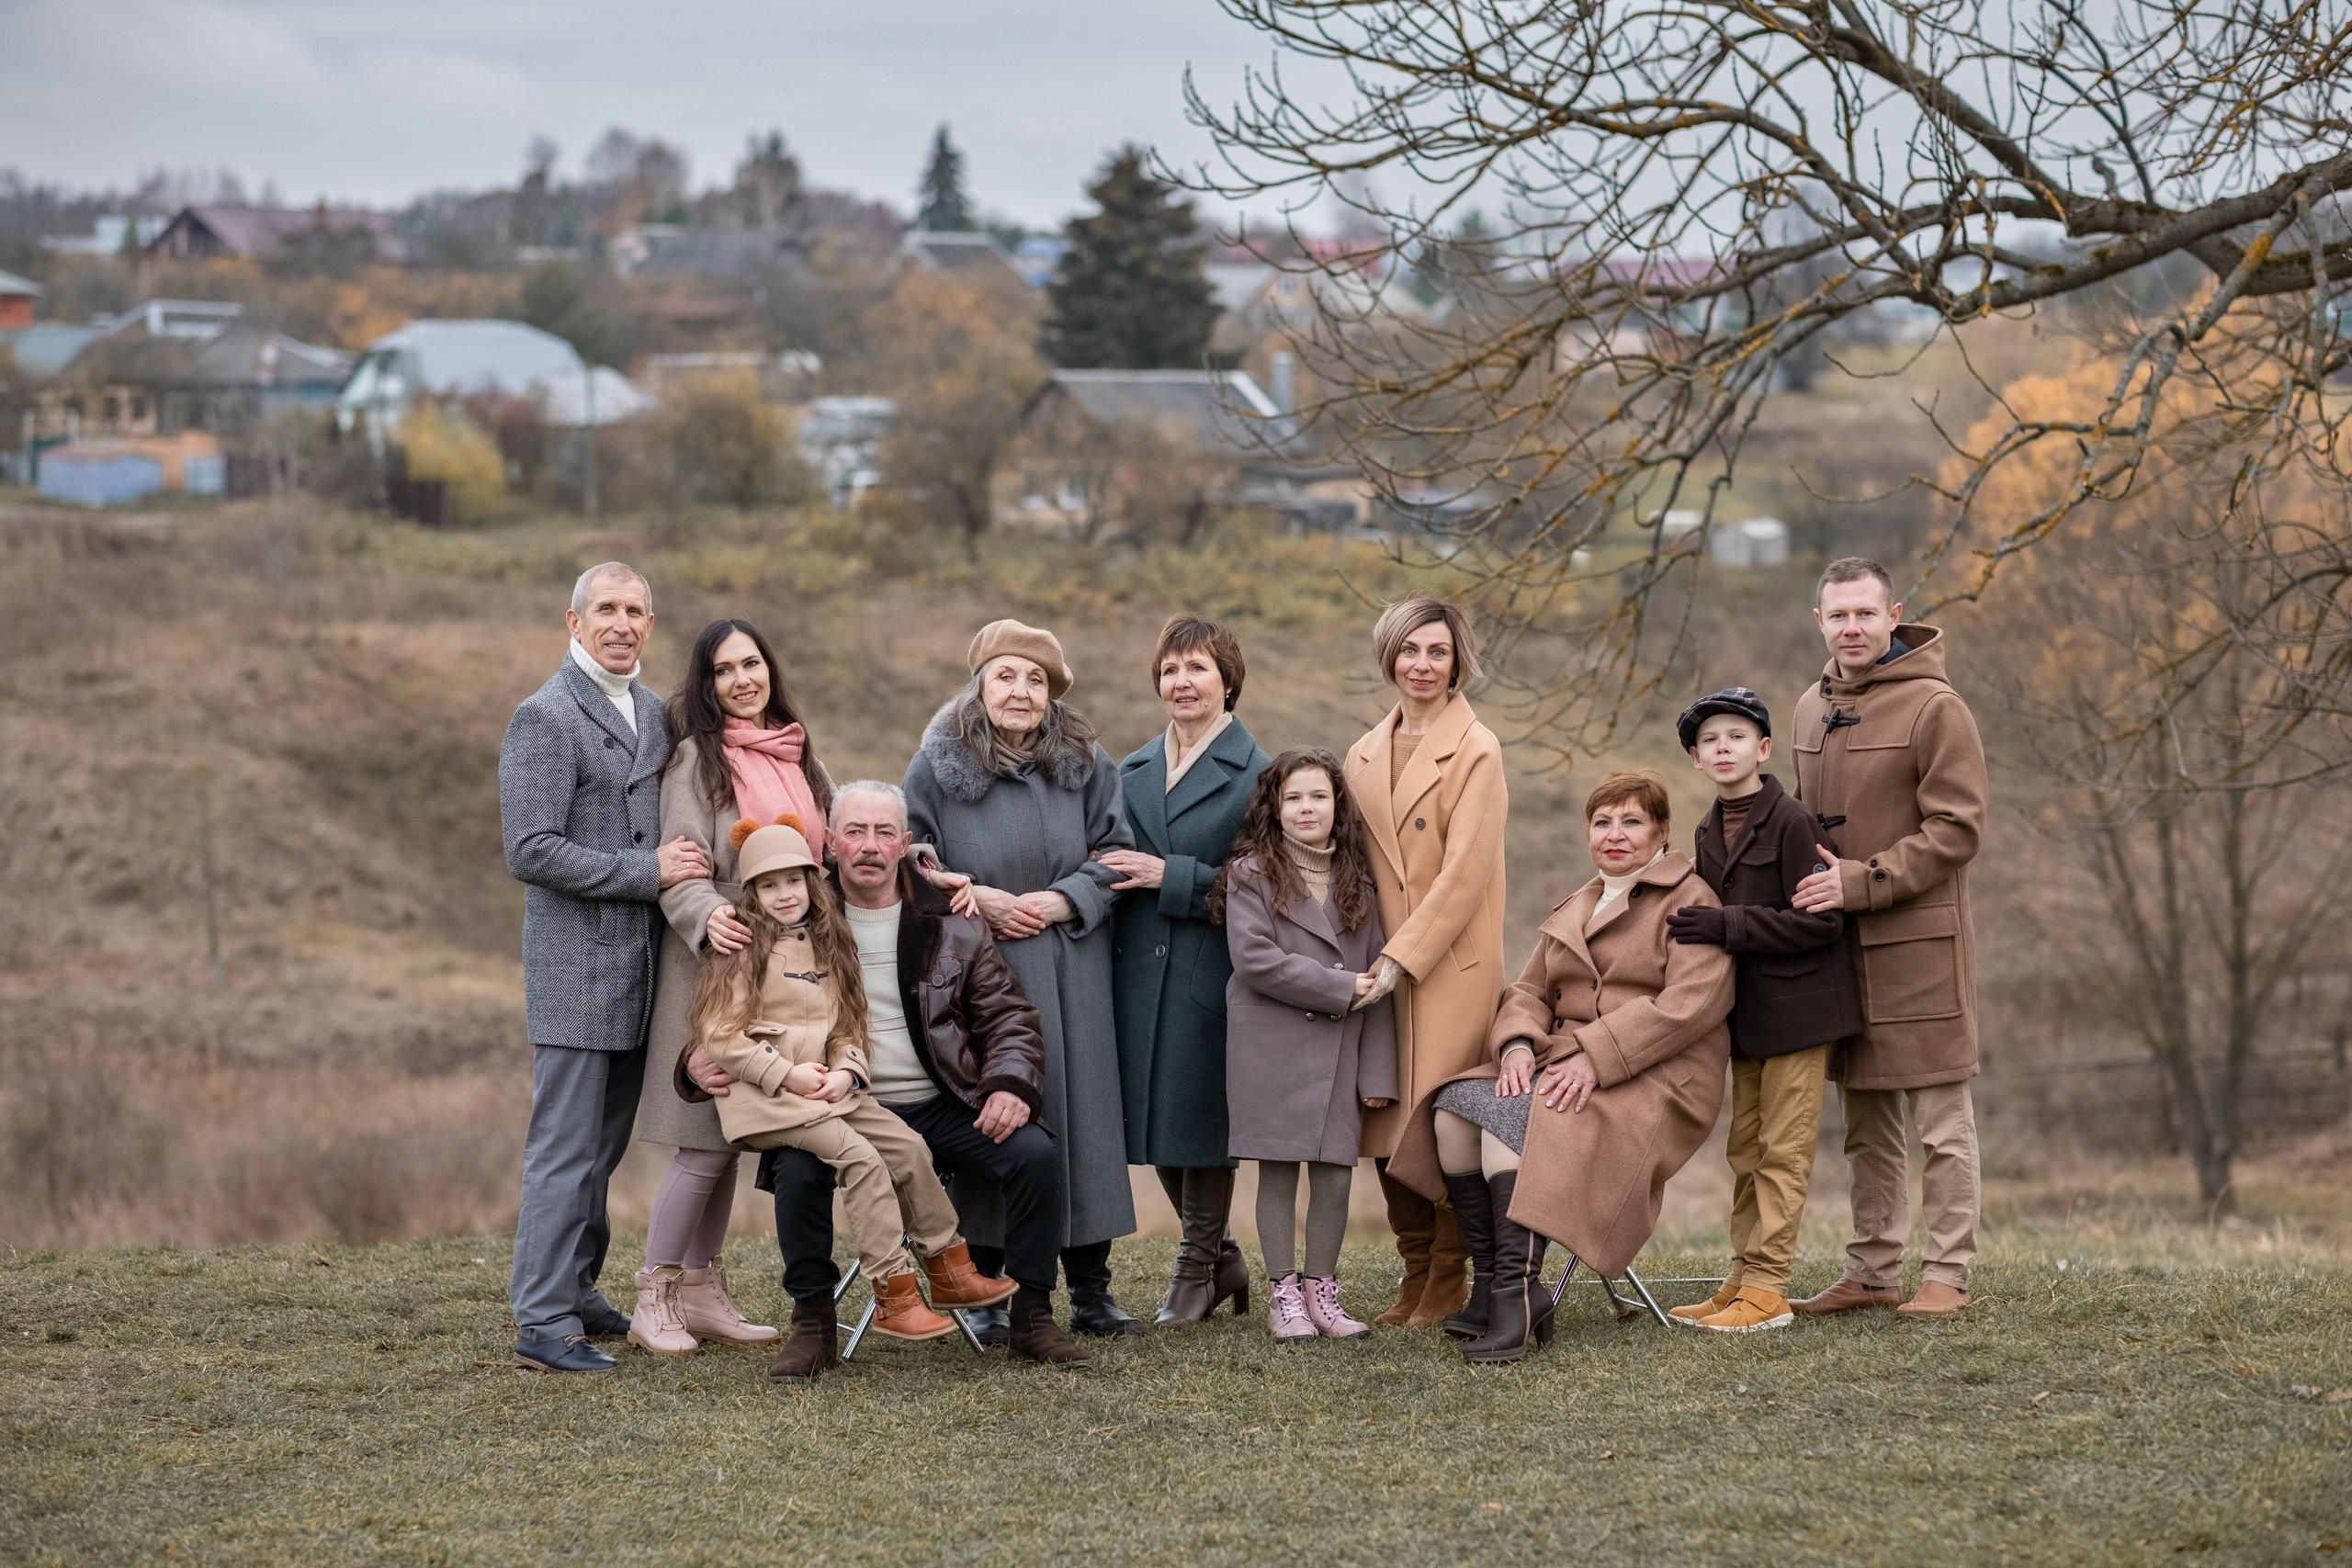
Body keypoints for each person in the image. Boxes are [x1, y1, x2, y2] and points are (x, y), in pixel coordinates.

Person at [684, 783, 1091, 1374]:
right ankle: (814, 1324)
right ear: (829, 842)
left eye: (883, 833)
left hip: (940, 1097)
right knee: (797, 1172)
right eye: (854, 832)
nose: (868, 846)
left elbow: (1007, 1015)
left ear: (905, 845)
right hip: (824, 1102)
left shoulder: (951, 919)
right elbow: (729, 1005)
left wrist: (1009, 1083)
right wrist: (694, 1059)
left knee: (1031, 1153)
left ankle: (1031, 1317)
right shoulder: (793, 909)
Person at [1389, 771, 1735, 1362]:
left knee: (1511, 1125)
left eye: (1632, 822)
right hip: (1561, 1061)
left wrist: (1598, 1057)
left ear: (1661, 833)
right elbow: (1527, 993)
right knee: (1452, 1113)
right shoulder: (1577, 902)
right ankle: (1501, 1284)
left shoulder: (1690, 899)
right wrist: (1519, 1044)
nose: (1615, 835)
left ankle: (1515, 1296)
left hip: (1654, 1076)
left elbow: (1691, 1004)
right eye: (1603, 822)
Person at [902, 620, 1142, 1337]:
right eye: (1007, 675)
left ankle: (1092, 1290)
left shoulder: (1086, 760)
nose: (1021, 690)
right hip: (980, 972)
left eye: (1036, 679)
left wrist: (1065, 897)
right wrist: (975, 892)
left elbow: (1118, 851)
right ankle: (989, 1293)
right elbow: (911, 858)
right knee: (998, 1120)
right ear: (980, 684)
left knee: (1082, 1120)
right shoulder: (935, 763)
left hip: (1073, 963)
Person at [498, 562, 707, 1374]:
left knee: (602, 1149)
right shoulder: (543, 718)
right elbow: (532, 848)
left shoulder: (654, 713)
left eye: (635, 610)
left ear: (650, 625)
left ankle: (578, 1289)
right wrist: (649, 870)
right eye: (605, 610)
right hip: (575, 972)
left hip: (642, 976)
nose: (621, 623)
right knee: (563, 1150)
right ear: (573, 622)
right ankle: (543, 1320)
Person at [1788, 558, 1988, 1320]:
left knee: (1941, 1122)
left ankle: (1948, 1275)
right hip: (1838, 952)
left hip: (1921, 945)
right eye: (1838, 616)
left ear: (1894, 613)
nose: (1852, 628)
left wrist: (1861, 879)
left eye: (1866, 614)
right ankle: (1873, 1270)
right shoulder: (1809, 707)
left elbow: (1957, 830)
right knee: (1866, 1126)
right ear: (1820, 621)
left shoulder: (1938, 708)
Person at [631, 618, 834, 1357]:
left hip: (787, 969)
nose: (742, 679)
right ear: (706, 685)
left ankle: (701, 1287)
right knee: (702, 1138)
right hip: (716, 964)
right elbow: (679, 863)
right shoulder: (695, 760)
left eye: (752, 663)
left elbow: (833, 841)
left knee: (735, 1133)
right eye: (724, 670)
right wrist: (711, 913)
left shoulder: (797, 751)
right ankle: (652, 1292)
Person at [1664, 687, 1862, 1333]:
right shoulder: (1705, 829)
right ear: (1696, 757)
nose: (1724, 748)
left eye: (1737, 736)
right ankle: (1741, 1277)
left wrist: (1728, 924)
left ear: (1764, 748)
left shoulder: (1791, 821)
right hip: (1746, 1019)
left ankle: (1770, 1288)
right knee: (1745, 1148)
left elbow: (1821, 924)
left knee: (1782, 1149)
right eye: (1710, 740)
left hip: (1800, 1015)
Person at [1340, 598, 1508, 1328]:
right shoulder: (1362, 752)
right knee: (1382, 1118)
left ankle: (1449, 1272)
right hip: (1376, 964)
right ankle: (1414, 1271)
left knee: (1436, 1119)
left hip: (1447, 967)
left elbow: (1465, 874)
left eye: (1437, 651)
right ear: (1389, 658)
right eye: (1410, 651)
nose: (1423, 664)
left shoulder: (1478, 747)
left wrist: (1403, 958)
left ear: (1456, 660)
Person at [1104, 615, 1271, 1326]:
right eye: (1171, 669)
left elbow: (1265, 883)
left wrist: (1164, 874)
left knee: (1202, 1122)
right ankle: (1224, 1255)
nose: (1182, 682)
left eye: (1197, 668)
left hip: (1213, 966)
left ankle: (1196, 1268)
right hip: (1139, 970)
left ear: (1227, 680)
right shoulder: (1133, 767)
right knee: (1156, 1121)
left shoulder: (1258, 772)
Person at [1211, 749, 1397, 1341]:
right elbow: (1256, 962)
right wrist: (1340, 986)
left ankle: (1323, 1292)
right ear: (1274, 807)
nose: (1306, 807)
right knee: (1278, 1171)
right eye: (1293, 797)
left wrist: (1378, 1076)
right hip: (1270, 1045)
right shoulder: (1249, 874)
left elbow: (1381, 984)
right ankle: (1283, 1294)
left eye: (1318, 795)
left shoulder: (1358, 880)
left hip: (1342, 1048)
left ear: (1337, 805)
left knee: (1336, 1175)